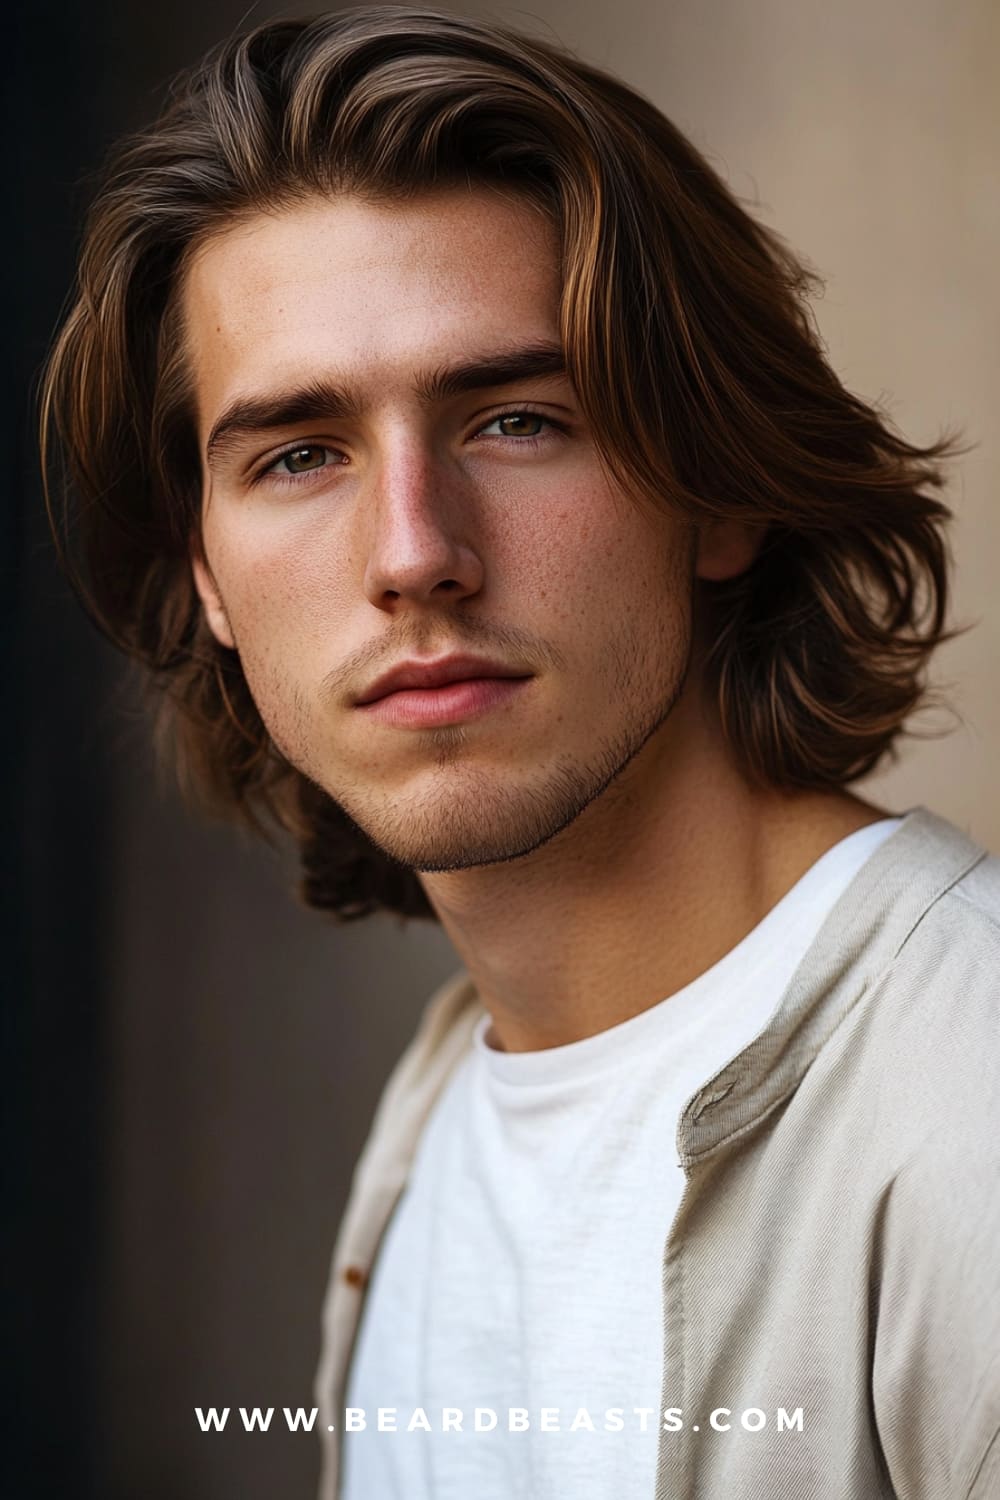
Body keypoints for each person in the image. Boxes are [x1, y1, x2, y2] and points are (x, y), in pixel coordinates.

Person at [40, 7, 999, 1499]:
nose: (416, 552)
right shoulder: (438, 1128)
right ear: (210, 580)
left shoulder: (965, 1105)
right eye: (299, 454)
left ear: (720, 485)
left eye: (517, 419)